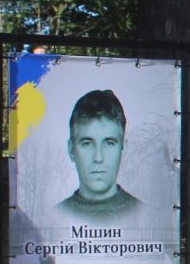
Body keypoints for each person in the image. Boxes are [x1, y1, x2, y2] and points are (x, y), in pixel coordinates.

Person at [56, 89, 141, 221]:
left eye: (109, 143)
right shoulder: (49, 218)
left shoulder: (149, 216)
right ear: (71, 150)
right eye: (87, 144)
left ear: (123, 148)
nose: (98, 158)